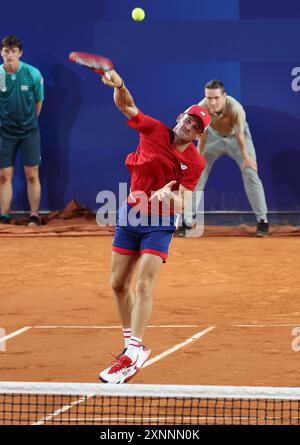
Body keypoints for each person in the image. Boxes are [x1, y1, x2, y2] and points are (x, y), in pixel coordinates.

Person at [98, 69, 211, 383]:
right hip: (131, 213)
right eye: (189, 119)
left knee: (144, 284)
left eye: (197, 127)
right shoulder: (153, 130)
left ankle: (134, 350)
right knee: (118, 284)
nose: (190, 126)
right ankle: (131, 344)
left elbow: (186, 202)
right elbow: (127, 106)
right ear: (181, 117)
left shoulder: (196, 163)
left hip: (160, 222)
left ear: (199, 135)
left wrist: (167, 197)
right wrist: (120, 84)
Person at [179, 79, 269, 237]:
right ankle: (186, 221)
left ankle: (262, 221)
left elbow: (240, 135)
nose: (212, 102)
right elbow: (203, 136)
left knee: (250, 172)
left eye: (216, 98)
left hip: (237, 139)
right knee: (195, 174)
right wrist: (198, 159)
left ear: (224, 96)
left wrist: (246, 158)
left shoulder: (236, 108)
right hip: (213, 138)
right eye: (209, 98)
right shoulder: (201, 108)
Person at [0, 35, 44, 225]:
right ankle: (4, 215)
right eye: (6, 51)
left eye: (13, 51)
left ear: (20, 53)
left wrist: (29, 121)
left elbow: (38, 102)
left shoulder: (32, 74)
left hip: (29, 132)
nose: (9, 55)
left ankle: (34, 214)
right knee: (3, 175)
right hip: (5, 132)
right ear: (1, 52)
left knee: (32, 174)